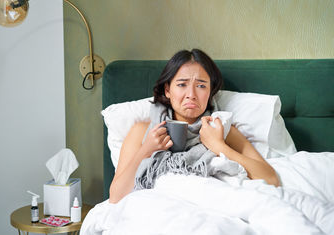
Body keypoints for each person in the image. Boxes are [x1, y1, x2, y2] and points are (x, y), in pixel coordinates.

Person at [109, 49, 280, 204]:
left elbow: (270, 178)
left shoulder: (221, 130)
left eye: (201, 86)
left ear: (211, 91)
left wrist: (218, 146)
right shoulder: (142, 131)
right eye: (182, 84)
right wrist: (146, 149)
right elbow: (116, 197)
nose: (191, 95)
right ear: (167, 90)